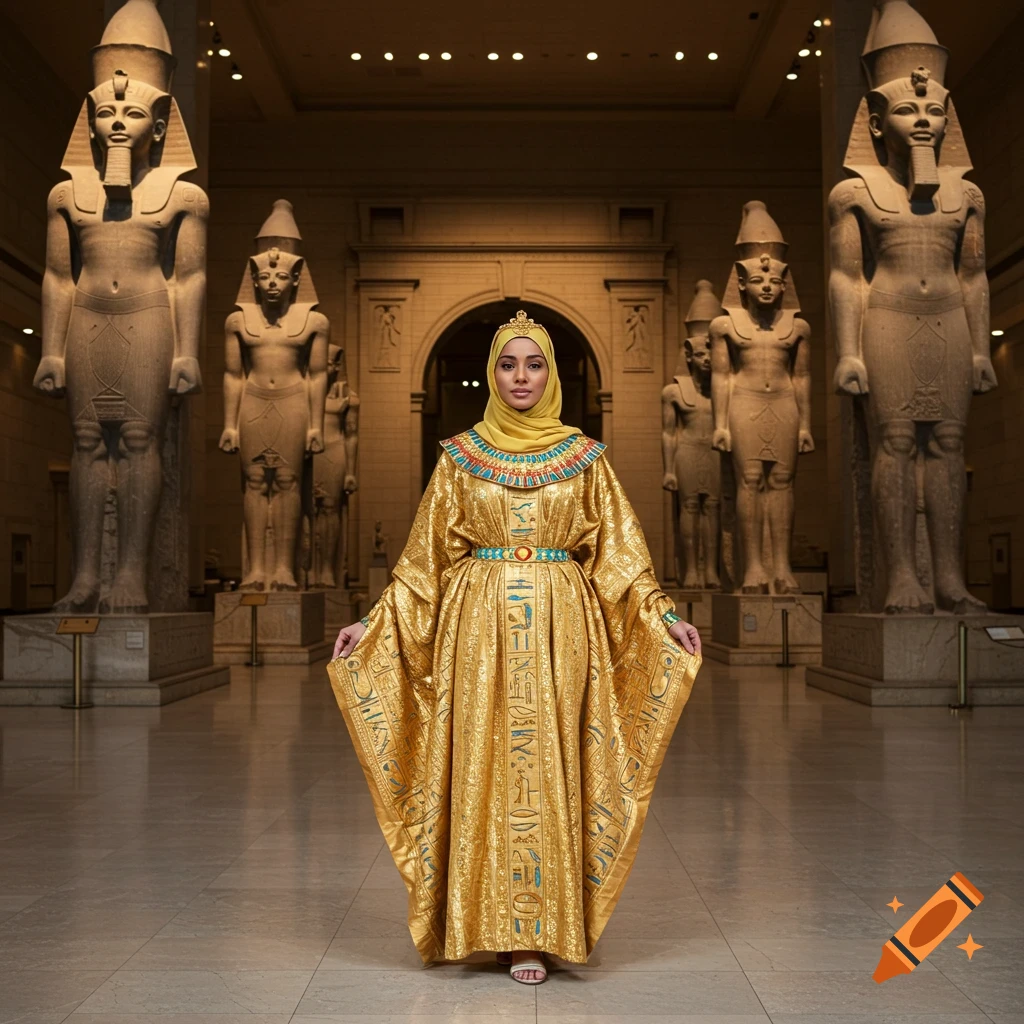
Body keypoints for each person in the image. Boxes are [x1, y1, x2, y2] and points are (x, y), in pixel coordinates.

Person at [329, 309, 701, 984]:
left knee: (547, 763)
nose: (521, 376)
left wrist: (661, 612)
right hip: (476, 633)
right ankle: (486, 922)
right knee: (483, 764)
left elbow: (619, 556)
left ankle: (539, 927)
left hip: (563, 631)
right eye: (507, 364)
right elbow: (423, 563)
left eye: (534, 364)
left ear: (551, 374)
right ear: (493, 375)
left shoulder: (586, 458)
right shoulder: (458, 458)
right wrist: (374, 620)